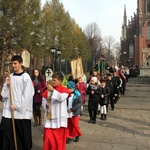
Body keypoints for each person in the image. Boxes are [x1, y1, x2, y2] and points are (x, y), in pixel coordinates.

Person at [0, 55, 34, 150]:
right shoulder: (9, 77)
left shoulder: (25, 77)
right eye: (12, 63)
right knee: (5, 134)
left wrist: (17, 106)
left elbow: (28, 95)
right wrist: (7, 85)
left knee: (20, 137)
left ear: (20, 63)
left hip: (20, 113)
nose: (13, 66)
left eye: (15, 63)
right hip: (8, 112)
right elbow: (4, 94)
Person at [42, 72, 70, 150]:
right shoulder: (48, 90)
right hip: (49, 118)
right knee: (47, 138)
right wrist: (46, 104)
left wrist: (53, 91)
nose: (52, 82)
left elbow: (61, 98)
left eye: (54, 80)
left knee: (58, 141)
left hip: (59, 120)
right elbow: (43, 100)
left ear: (60, 81)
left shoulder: (64, 90)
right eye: (52, 80)